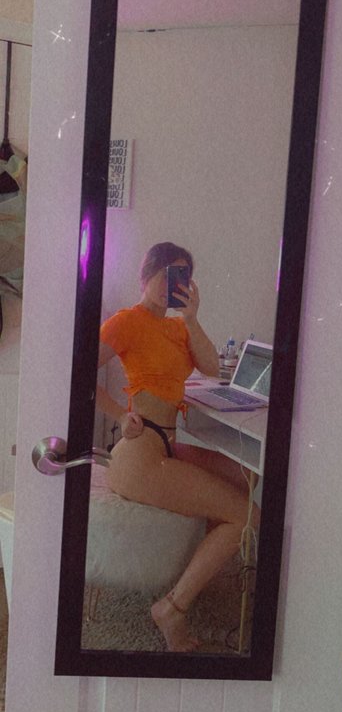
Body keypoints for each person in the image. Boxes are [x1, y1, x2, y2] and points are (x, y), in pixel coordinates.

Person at [97, 241, 260, 651]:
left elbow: (211, 367)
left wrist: (192, 317)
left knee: (246, 474)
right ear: (145, 275)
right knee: (246, 516)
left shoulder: (177, 328)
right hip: (139, 454)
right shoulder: (126, 321)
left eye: (181, 275)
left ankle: (199, 572)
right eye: (165, 273)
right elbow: (77, 372)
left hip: (165, 445)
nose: (170, 283)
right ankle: (172, 609)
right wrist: (119, 415)